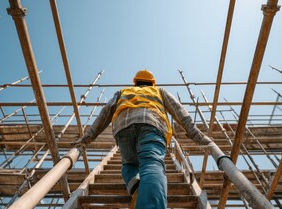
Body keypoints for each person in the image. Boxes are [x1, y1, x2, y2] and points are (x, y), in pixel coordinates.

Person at [71, 69, 213, 209]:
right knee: (152, 164)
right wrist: (196, 135)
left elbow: (104, 114)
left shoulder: (123, 92)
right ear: (152, 83)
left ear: (135, 83)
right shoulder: (159, 91)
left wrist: (85, 140)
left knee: (129, 165)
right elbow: (179, 111)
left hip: (123, 128)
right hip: (151, 124)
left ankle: (137, 187)